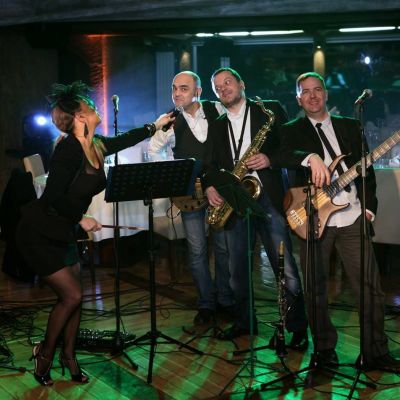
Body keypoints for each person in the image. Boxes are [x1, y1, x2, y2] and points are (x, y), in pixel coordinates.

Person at [15, 81, 172, 386]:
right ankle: (44, 353)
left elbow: (124, 140)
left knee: (76, 297)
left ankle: (69, 355)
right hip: (39, 232)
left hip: (62, 230)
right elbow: (52, 196)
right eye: (89, 106)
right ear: (79, 117)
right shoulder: (68, 150)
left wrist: (155, 125)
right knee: (71, 295)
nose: (96, 108)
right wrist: (82, 218)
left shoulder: (96, 144)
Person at [275, 71, 400, 371]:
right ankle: (324, 350)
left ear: (326, 94)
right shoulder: (291, 130)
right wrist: (310, 157)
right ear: (298, 99)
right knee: (315, 289)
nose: (312, 96)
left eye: (317, 89)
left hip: (353, 216)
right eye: (305, 91)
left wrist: (368, 210)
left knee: (369, 287)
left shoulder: (349, 126)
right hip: (313, 219)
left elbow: (367, 172)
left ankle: (375, 352)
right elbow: (280, 155)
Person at [203, 67, 308, 345]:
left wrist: (269, 159)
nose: (223, 89)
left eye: (228, 82)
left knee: (285, 268)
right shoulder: (217, 124)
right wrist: (210, 185)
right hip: (237, 200)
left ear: (242, 84)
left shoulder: (268, 110)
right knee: (237, 271)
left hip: (269, 197)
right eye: (217, 87)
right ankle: (244, 322)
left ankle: (297, 328)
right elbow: (209, 165)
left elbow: (290, 146)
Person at [148, 71, 234, 325]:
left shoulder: (218, 109)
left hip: (219, 190)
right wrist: (175, 176)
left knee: (223, 249)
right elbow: (153, 151)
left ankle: (225, 300)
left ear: (198, 91)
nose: (177, 93)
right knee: (197, 251)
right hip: (189, 195)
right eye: (174, 88)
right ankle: (206, 304)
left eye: (183, 88)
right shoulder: (168, 122)